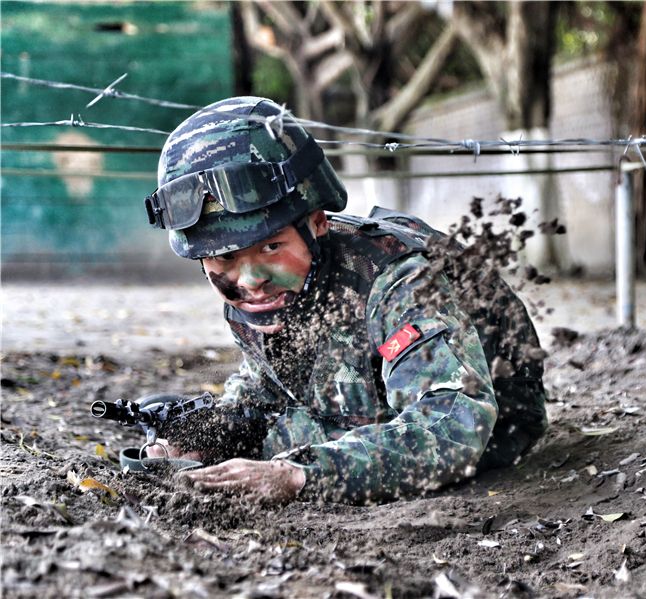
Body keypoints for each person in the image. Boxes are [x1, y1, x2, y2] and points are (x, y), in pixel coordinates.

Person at [143, 96, 548, 504]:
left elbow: (454, 421)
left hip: (487, 429)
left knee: (284, 447)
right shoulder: (263, 294)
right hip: (353, 409)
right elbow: (270, 387)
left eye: (270, 248)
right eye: (225, 257)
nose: (250, 281)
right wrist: (204, 436)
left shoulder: (398, 280)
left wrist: (297, 476)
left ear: (318, 222)